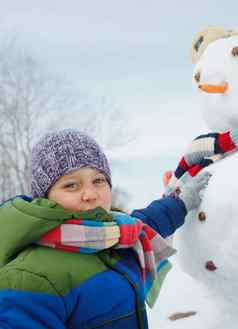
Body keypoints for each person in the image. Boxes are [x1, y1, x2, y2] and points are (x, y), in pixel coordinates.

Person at [0, 129, 210, 329]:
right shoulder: (27, 278)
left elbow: (147, 221)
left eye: (99, 180)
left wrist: (181, 201)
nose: (90, 194)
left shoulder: (117, 237)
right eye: (71, 185)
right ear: (44, 198)